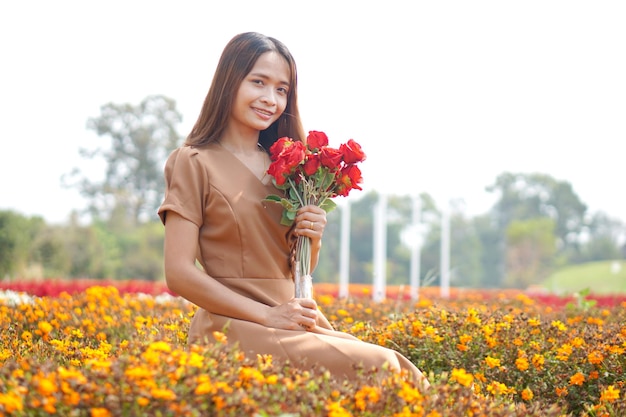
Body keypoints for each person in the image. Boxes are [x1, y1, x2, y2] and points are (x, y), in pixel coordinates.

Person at [158, 31, 428, 388]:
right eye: (259, 82)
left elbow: (296, 269)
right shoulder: (193, 161)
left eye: (282, 89)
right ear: (229, 82)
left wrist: (312, 236)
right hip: (235, 327)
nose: (270, 99)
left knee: (403, 368)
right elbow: (178, 273)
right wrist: (268, 316)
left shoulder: (288, 168)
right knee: (381, 368)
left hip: (292, 318)